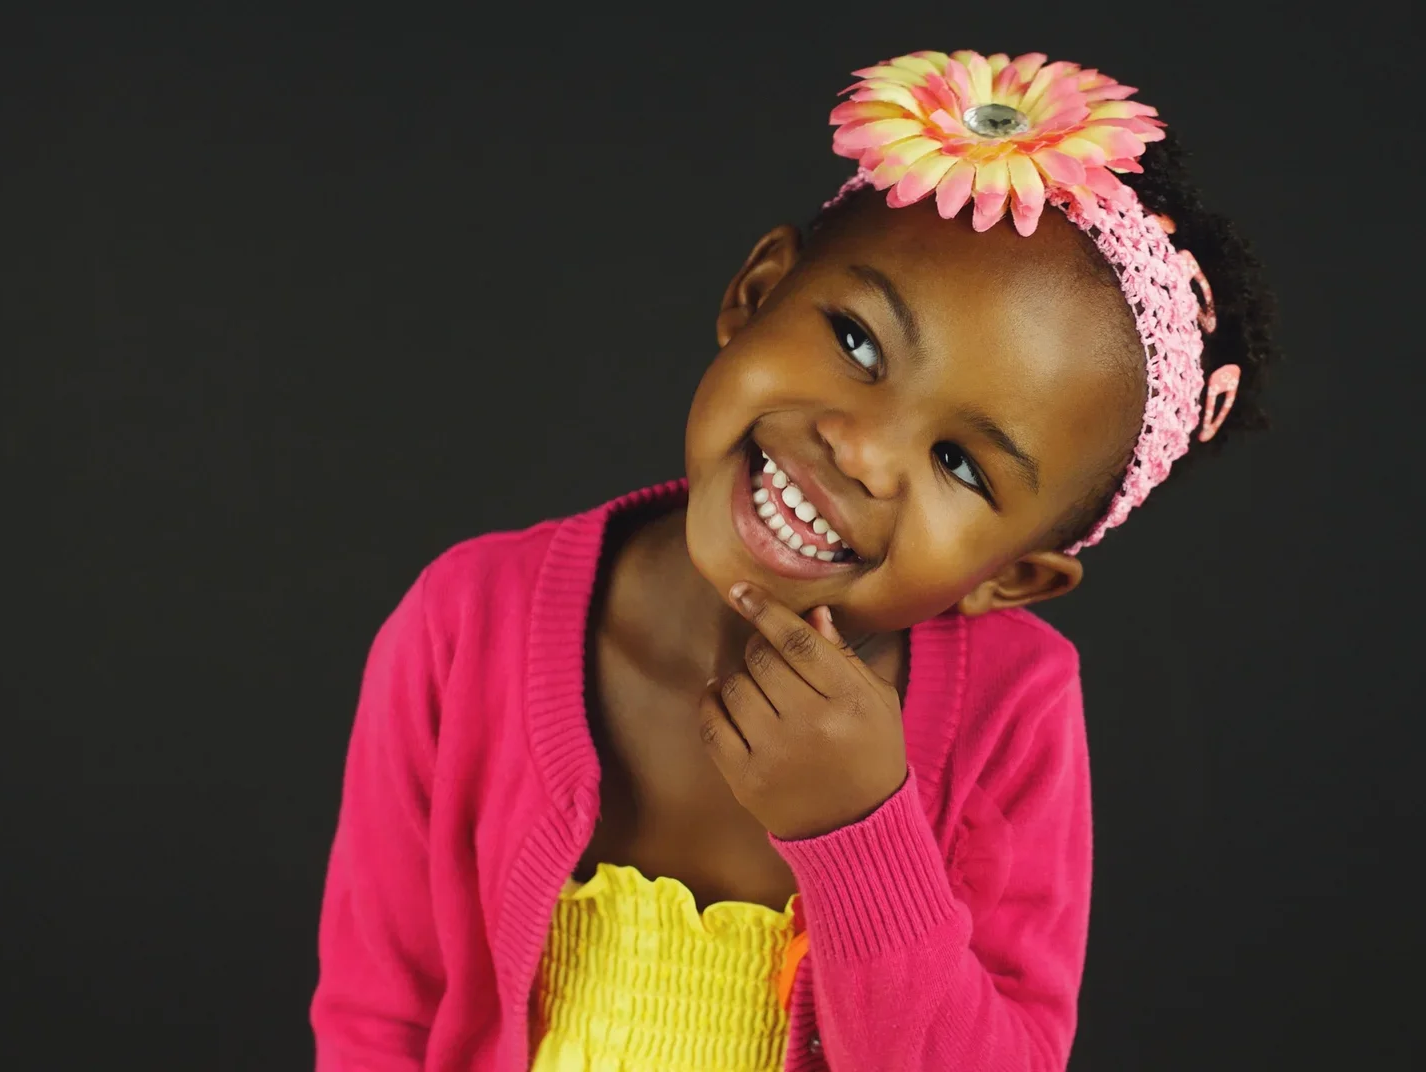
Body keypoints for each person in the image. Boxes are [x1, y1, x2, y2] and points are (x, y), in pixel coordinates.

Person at [310, 48, 1279, 1072]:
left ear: (1011, 578)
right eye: (858, 343)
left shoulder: (1015, 713)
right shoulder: (467, 619)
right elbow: (380, 1020)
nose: (861, 450)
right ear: (757, 290)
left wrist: (859, 833)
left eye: (959, 463)